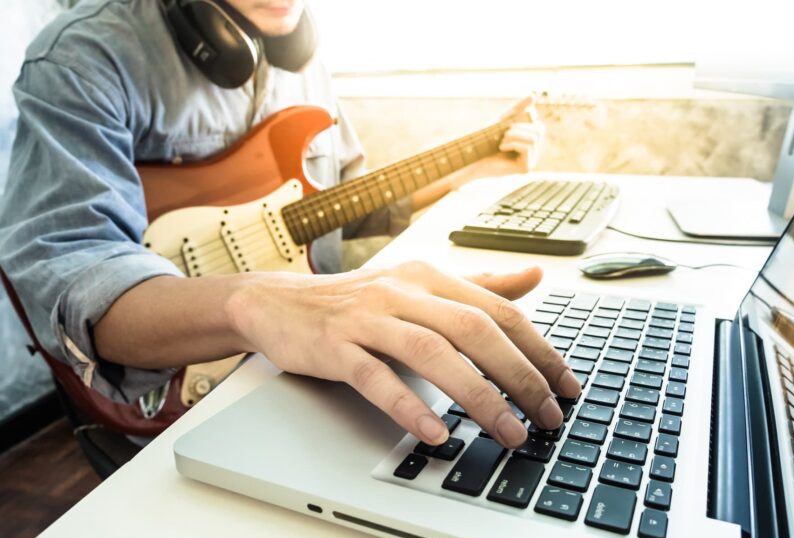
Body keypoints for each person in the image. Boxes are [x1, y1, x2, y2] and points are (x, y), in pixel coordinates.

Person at [0, 0, 580, 450]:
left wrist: (466, 174)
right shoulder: (83, 52)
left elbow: (340, 202)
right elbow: (72, 272)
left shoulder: (302, 57)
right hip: (188, 394)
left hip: (324, 372)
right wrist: (253, 304)